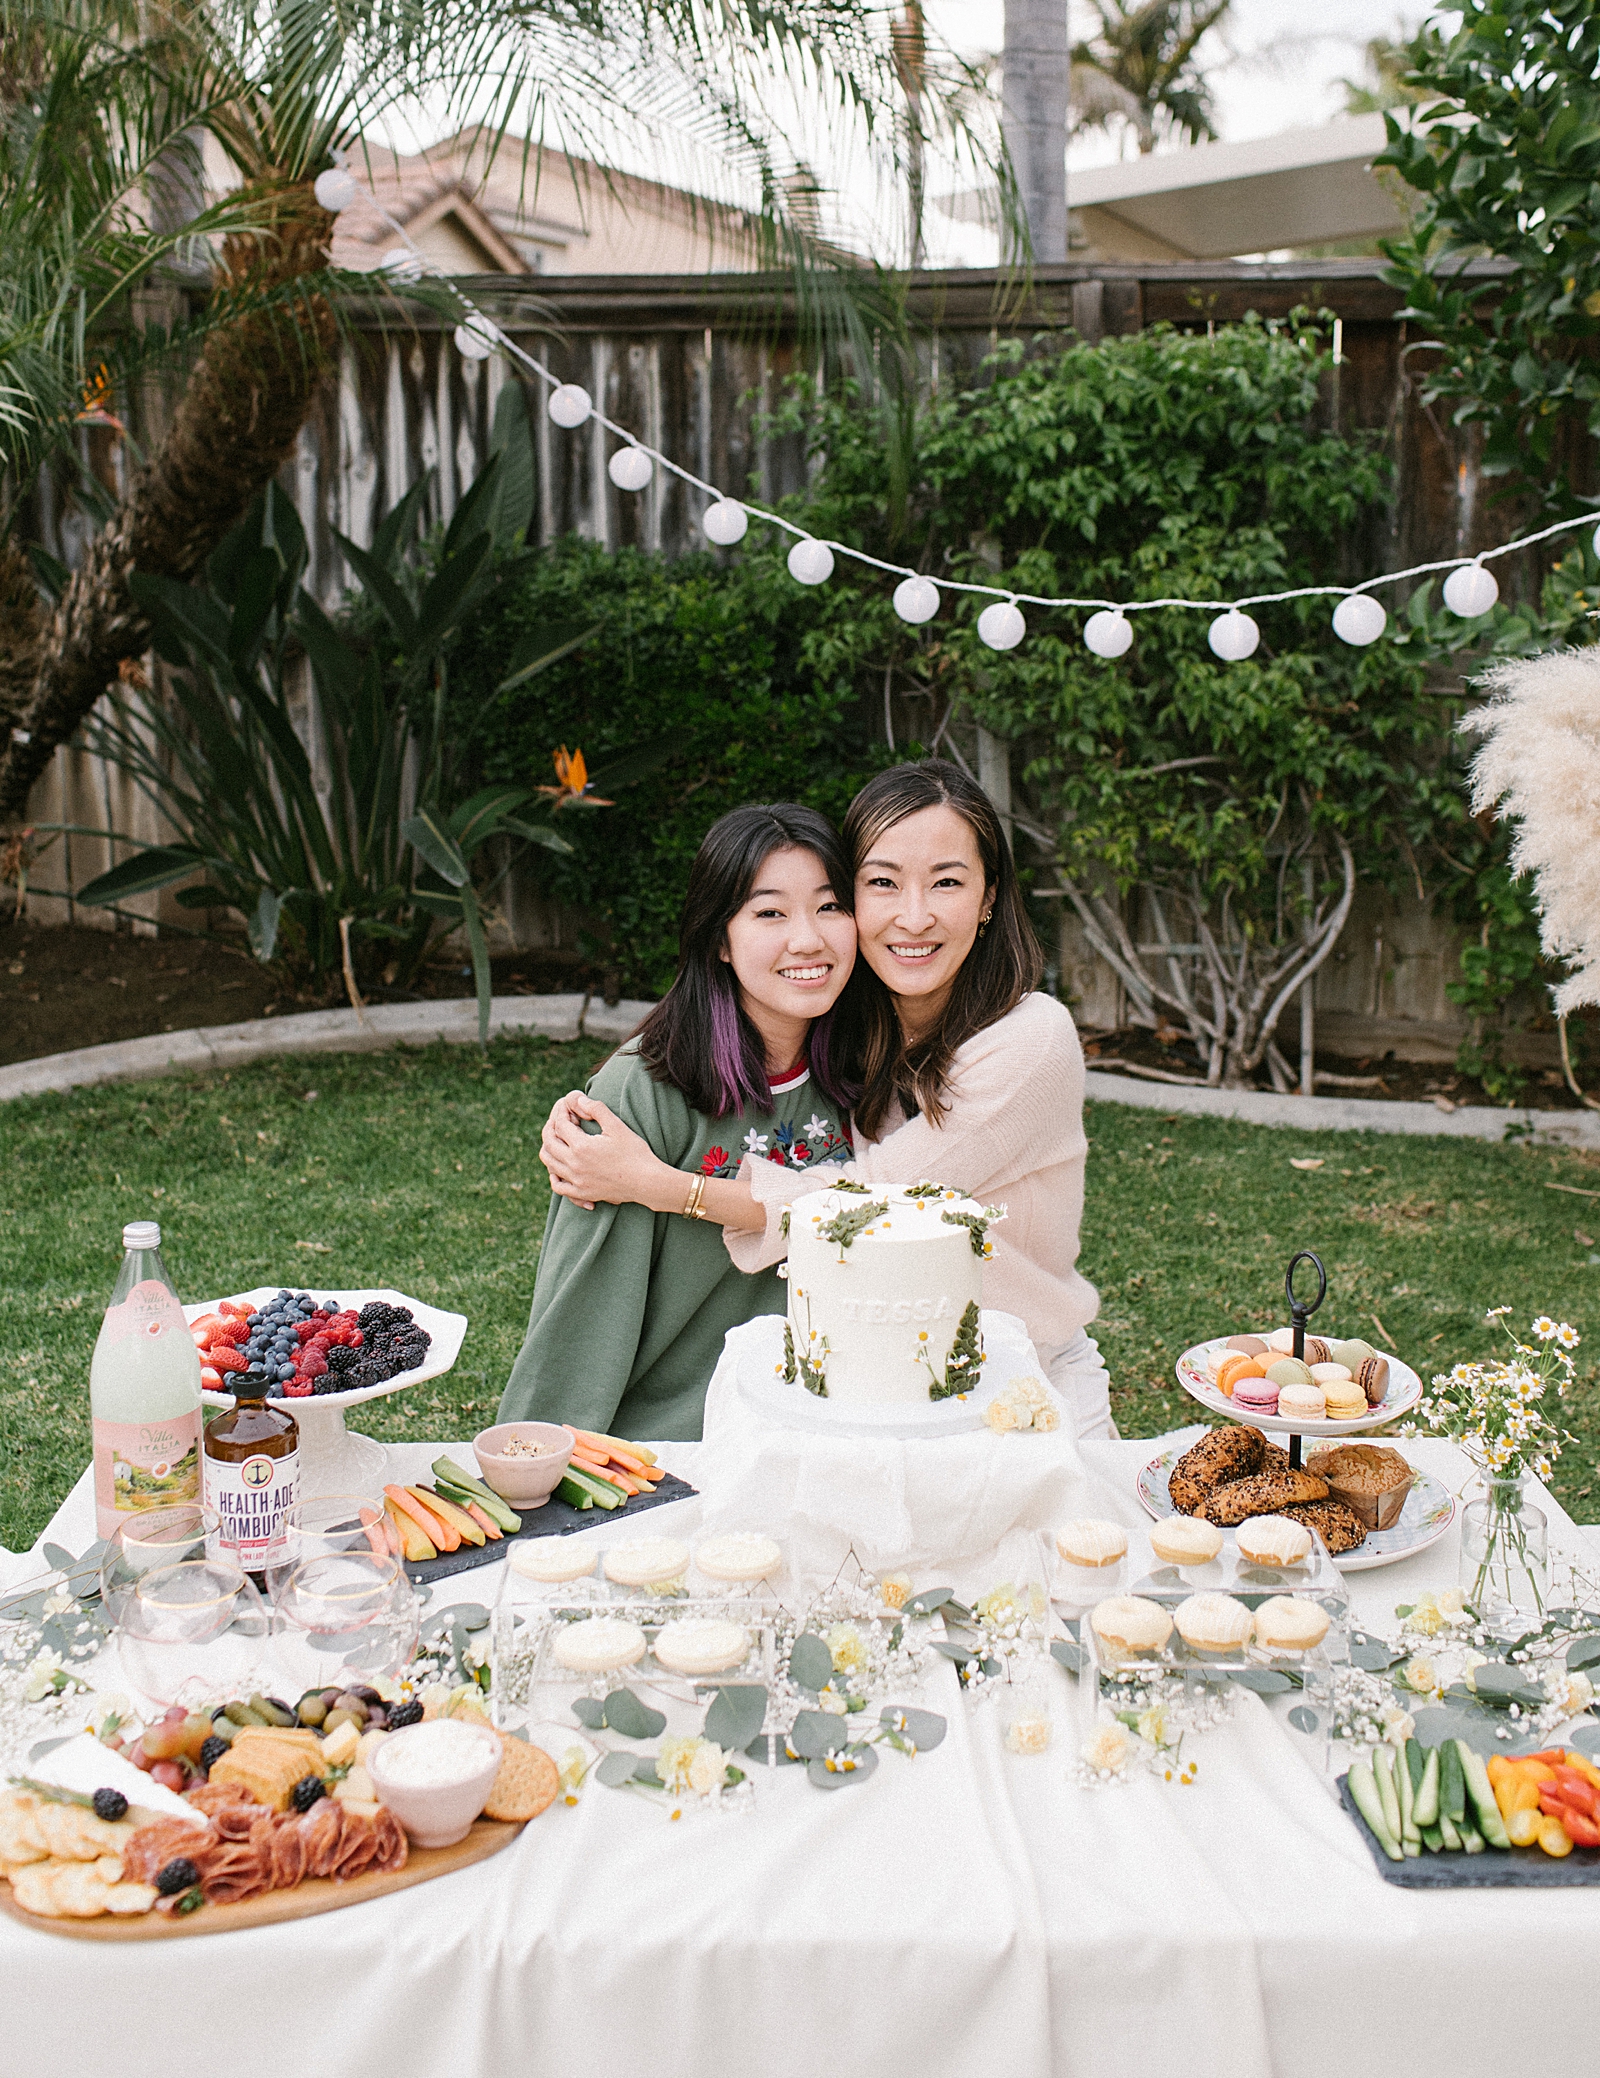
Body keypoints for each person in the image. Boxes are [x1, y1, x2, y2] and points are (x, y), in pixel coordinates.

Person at [541, 758, 1113, 1438]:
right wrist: (620, 1087)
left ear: (990, 897)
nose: (914, 915)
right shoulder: (849, 1027)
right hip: (874, 1397)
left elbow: (876, 1201)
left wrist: (661, 1186)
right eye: (882, 883)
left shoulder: (1033, 1038)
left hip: (1020, 1390)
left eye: (948, 882)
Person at [496, 803, 858, 1440]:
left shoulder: (876, 1074)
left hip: (833, 1428)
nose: (808, 939)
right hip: (668, 1448)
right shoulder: (641, 1093)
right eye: (770, 912)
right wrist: (537, 1465)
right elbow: (583, 1310)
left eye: (830, 906)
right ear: (719, 937)